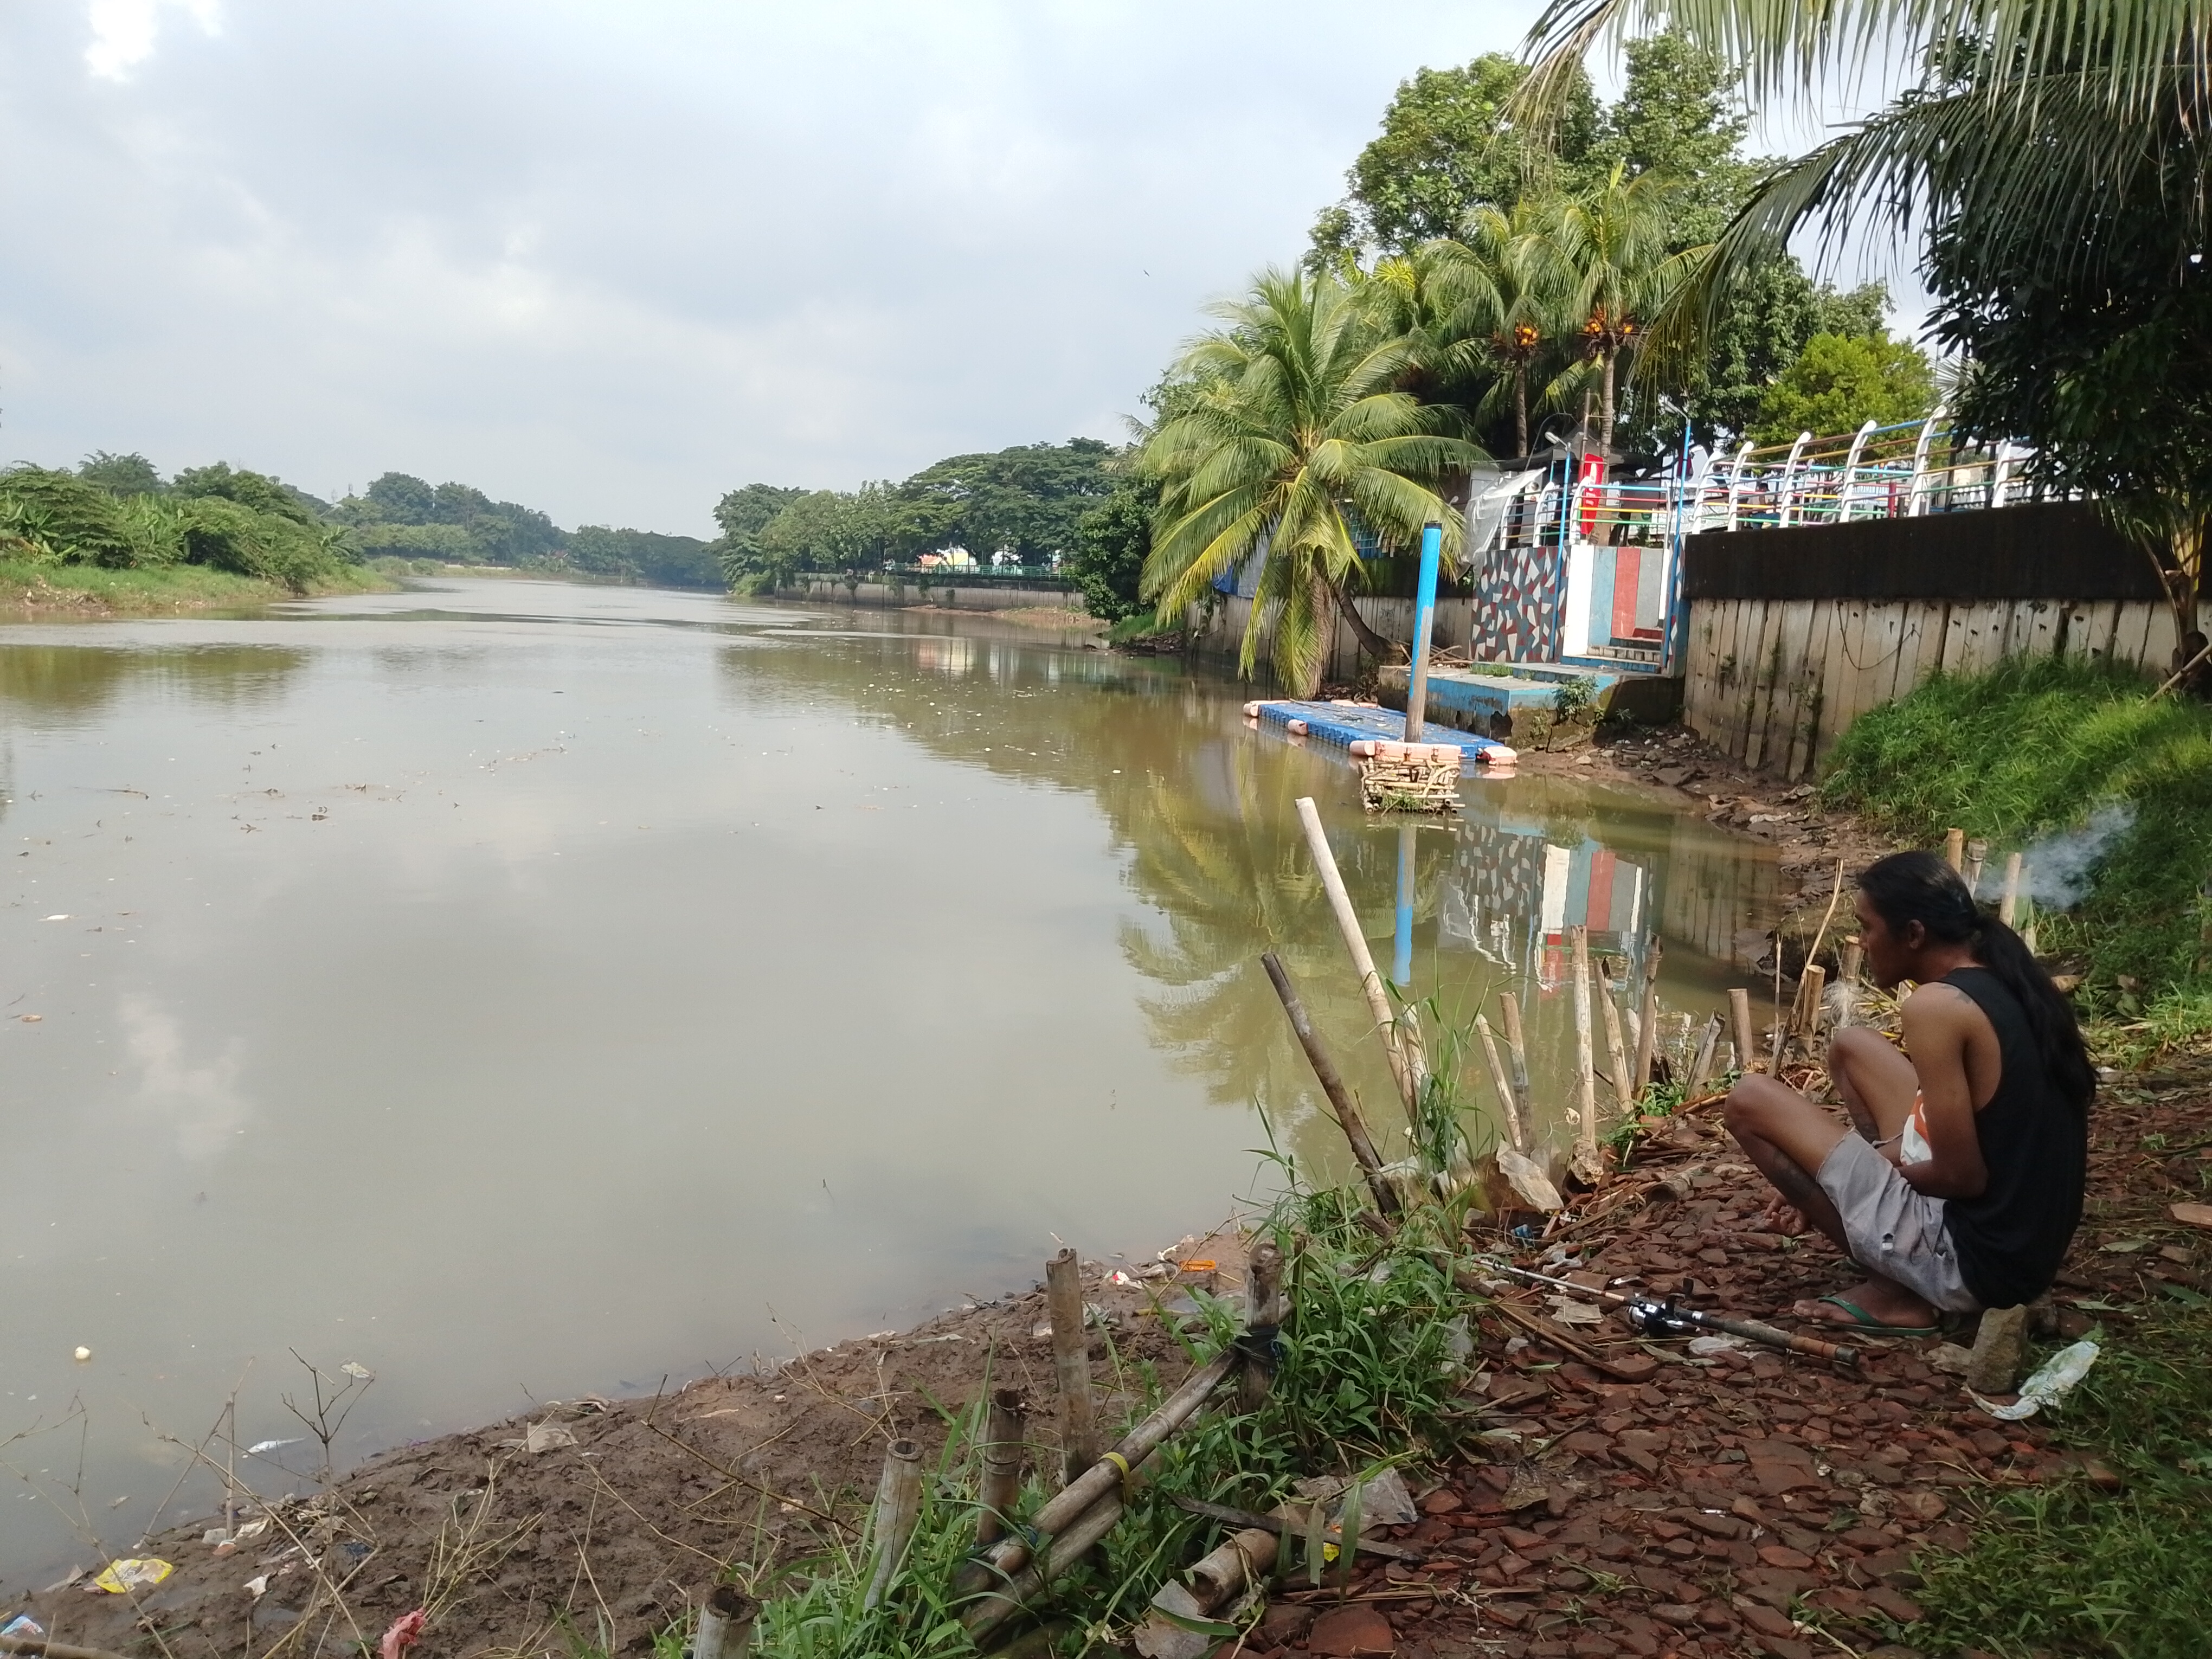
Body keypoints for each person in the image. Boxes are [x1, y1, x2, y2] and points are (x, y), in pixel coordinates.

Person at [1724, 851, 2095, 1334]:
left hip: (1975, 1267)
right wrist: (1857, 1166)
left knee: (1750, 1099)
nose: (1860, 940)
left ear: (1914, 933)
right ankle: (1889, 1249)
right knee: (1851, 1046)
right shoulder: (2003, 973)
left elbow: (1962, 1177)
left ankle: (1896, 1292)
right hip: (2023, 1251)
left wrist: (1831, 1184)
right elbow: (1966, 1140)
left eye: (1867, 926)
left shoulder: (1936, 1007)